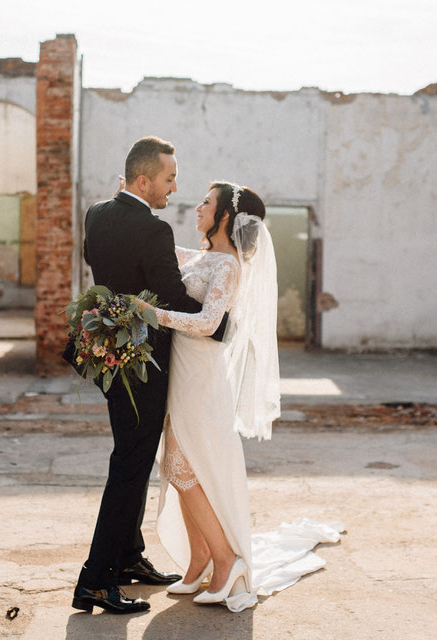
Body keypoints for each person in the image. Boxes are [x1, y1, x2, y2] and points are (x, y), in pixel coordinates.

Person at [138, 182, 343, 611]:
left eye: (206, 203)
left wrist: (152, 315)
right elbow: (163, 249)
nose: (196, 207)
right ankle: (199, 562)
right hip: (184, 370)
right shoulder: (204, 256)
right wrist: (133, 207)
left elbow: (210, 321)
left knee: (181, 465)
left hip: (202, 373)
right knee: (178, 465)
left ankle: (227, 560)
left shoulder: (229, 265)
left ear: (226, 216)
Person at [70, 136, 226, 615]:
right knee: (130, 465)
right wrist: (222, 322)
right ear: (143, 181)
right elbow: (171, 296)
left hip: (106, 357)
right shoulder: (154, 230)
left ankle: (129, 558)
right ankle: (96, 580)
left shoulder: (97, 212)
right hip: (143, 364)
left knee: (131, 456)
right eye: (168, 178)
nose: (173, 188)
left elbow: (89, 257)